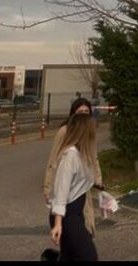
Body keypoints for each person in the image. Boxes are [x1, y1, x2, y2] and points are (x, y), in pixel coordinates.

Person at [44, 98, 102, 239]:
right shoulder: (64, 132)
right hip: (68, 186)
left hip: (82, 186)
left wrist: (98, 179)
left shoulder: (90, 131)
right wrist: (47, 186)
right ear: (73, 114)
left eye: (86, 112)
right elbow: (53, 159)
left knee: (85, 221)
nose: (83, 114)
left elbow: (93, 157)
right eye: (80, 112)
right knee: (73, 228)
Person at [49, 113, 101, 261]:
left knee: (71, 256)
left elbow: (84, 183)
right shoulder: (70, 156)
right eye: (92, 130)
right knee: (88, 256)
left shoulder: (82, 154)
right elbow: (61, 191)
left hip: (76, 213)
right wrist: (58, 224)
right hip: (67, 215)